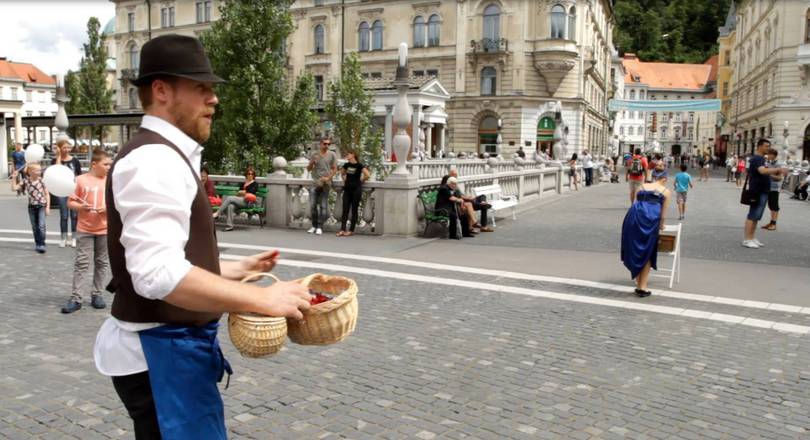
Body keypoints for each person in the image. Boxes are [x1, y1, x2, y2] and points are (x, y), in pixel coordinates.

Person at [93, 34, 311, 440]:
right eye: (201, 87)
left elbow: (169, 262)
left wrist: (231, 269)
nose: (214, 99)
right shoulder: (155, 158)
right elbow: (157, 274)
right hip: (162, 356)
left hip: (168, 353)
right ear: (162, 91)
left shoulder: (162, 153)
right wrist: (261, 298)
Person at [61, 149, 112, 314]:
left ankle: (97, 294)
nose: (109, 167)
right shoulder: (80, 180)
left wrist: (107, 208)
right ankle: (76, 298)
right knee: (81, 263)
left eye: (110, 164)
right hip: (85, 229)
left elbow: (117, 203)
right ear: (94, 164)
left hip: (105, 229)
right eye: (106, 164)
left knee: (102, 263)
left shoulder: (111, 181)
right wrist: (81, 207)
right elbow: (70, 202)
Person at [621, 169, 671, 298]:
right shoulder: (666, 191)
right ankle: (642, 287)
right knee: (647, 252)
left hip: (633, 218)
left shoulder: (642, 186)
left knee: (635, 249)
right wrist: (661, 225)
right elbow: (663, 215)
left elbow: (634, 203)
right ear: (664, 178)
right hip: (651, 221)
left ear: (654, 177)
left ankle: (638, 281)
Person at [742, 139, 784, 249]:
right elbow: (762, 171)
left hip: (763, 190)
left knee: (757, 216)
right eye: (766, 146)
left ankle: (751, 237)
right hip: (758, 190)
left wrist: (775, 176)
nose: (768, 148)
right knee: (753, 215)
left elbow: (764, 173)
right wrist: (778, 169)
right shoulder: (758, 158)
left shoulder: (762, 159)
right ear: (759, 146)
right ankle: (747, 239)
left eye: (769, 146)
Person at [12, 163, 50, 253]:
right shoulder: (26, 181)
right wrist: (14, 178)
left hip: (41, 205)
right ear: (30, 172)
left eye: (40, 170)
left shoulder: (42, 181)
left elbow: (47, 194)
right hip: (31, 207)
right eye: (37, 170)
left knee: (41, 225)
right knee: (34, 226)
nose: (39, 172)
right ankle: (38, 243)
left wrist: (47, 207)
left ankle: (42, 244)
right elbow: (14, 188)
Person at [53, 136, 83, 248]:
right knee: (64, 216)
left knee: (74, 216)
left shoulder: (75, 161)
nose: (67, 150)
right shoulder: (55, 160)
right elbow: (56, 171)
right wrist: (58, 156)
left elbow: (79, 176)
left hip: (73, 190)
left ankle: (74, 238)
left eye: (68, 147)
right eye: (64, 148)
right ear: (60, 148)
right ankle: (63, 238)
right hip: (61, 191)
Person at [307, 138, 337, 236]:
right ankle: (314, 226)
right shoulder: (314, 154)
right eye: (325, 144)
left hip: (326, 184)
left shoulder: (332, 154)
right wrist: (312, 162)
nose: (327, 145)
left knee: (323, 206)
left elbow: (335, 169)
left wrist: (328, 178)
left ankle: (319, 227)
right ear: (320, 144)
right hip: (315, 182)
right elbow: (308, 169)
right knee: (312, 205)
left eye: (328, 144)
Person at [213, 166, 258, 231]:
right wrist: (243, 192)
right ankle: (230, 226)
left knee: (230, 198)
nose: (250, 175)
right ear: (246, 175)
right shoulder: (243, 184)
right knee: (230, 206)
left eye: (252, 174)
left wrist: (242, 192)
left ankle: (218, 213)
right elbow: (238, 194)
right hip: (240, 201)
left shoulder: (255, 184)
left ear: (254, 175)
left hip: (247, 202)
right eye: (249, 174)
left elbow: (251, 192)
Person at [337, 151, 370, 237]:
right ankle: (342, 229)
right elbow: (342, 173)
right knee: (345, 209)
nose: (347, 155)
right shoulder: (346, 165)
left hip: (356, 190)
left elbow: (367, 174)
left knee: (354, 210)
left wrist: (361, 181)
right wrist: (344, 179)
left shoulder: (359, 165)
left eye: (348, 154)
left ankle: (351, 230)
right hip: (347, 190)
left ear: (353, 155)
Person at [761, 148, 784, 232]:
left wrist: (768, 174)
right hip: (767, 187)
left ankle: (773, 224)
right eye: (768, 154)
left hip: (774, 188)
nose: (768, 155)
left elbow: (779, 178)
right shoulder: (768, 163)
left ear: (774, 155)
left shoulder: (778, 164)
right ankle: (771, 223)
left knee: (774, 205)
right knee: (770, 205)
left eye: (769, 154)